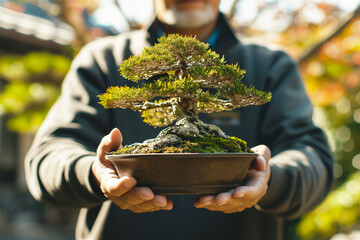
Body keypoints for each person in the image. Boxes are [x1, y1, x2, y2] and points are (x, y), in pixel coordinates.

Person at [25, 0, 334, 239]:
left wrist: (270, 178)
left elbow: (314, 158)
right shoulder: (103, 61)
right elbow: (47, 157)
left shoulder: (269, 66)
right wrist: (93, 173)